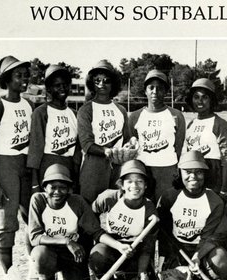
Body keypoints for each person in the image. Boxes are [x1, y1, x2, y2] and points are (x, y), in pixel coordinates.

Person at [157, 151, 227, 280]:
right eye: (188, 172)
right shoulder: (169, 196)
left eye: (198, 172)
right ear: (179, 172)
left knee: (220, 261)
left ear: (205, 174)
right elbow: (163, 233)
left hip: (204, 249)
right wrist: (164, 261)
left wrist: (198, 256)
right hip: (179, 249)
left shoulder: (214, 200)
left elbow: (210, 236)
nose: (193, 176)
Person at [28, 163, 105, 280]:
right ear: (45, 188)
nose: (57, 191)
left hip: (73, 255)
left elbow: (95, 231)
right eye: (53, 187)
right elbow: (35, 237)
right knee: (39, 254)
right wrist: (66, 240)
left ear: (69, 189)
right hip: (50, 252)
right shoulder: (38, 200)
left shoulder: (77, 202)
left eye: (62, 187)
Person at [0, 56, 34, 280]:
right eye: (19, 76)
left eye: (26, 75)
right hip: (3, 165)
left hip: (24, 165)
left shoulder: (27, 105)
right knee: (7, 222)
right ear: (7, 79)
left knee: (32, 219)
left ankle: (34, 268)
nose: (24, 80)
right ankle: (9, 275)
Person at [89, 160, 159, 280]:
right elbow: (91, 217)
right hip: (112, 246)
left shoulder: (149, 208)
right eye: (129, 181)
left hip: (134, 252)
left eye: (139, 181)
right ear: (121, 184)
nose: (134, 186)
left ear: (146, 185)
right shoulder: (109, 197)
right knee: (97, 256)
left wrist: (141, 272)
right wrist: (110, 242)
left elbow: (147, 246)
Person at [128, 69, 186, 202]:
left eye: (160, 88)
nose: (155, 91)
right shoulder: (135, 116)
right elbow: (132, 146)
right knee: (143, 208)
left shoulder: (176, 115)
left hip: (167, 169)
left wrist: (174, 169)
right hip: (143, 169)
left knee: (165, 209)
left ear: (166, 91)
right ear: (145, 91)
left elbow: (178, 146)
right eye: (151, 87)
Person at [78, 60, 130, 203]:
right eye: (97, 80)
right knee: (89, 209)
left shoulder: (121, 110)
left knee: (117, 208)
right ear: (92, 83)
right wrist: (106, 151)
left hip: (117, 165)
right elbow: (86, 144)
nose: (101, 84)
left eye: (106, 80)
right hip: (94, 164)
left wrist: (131, 145)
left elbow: (127, 138)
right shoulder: (86, 109)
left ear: (113, 83)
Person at [27, 64, 81, 191]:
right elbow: (35, 148)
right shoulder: (41, 112)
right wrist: (35, 182)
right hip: (47, 165)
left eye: (65, 84)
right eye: (57, 85)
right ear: (49, 89)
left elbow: (77, 151)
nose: (62, 88)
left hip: (69, 166)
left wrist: (77, 177)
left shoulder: (75, 114)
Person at [183, 78, 227, 199]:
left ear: (212, 100)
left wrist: (224, 188)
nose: (200, 101)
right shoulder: (191, 124)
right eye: (196, 97)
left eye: (205, 97)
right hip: (194, 174)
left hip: (213, 173)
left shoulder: (219, 123)